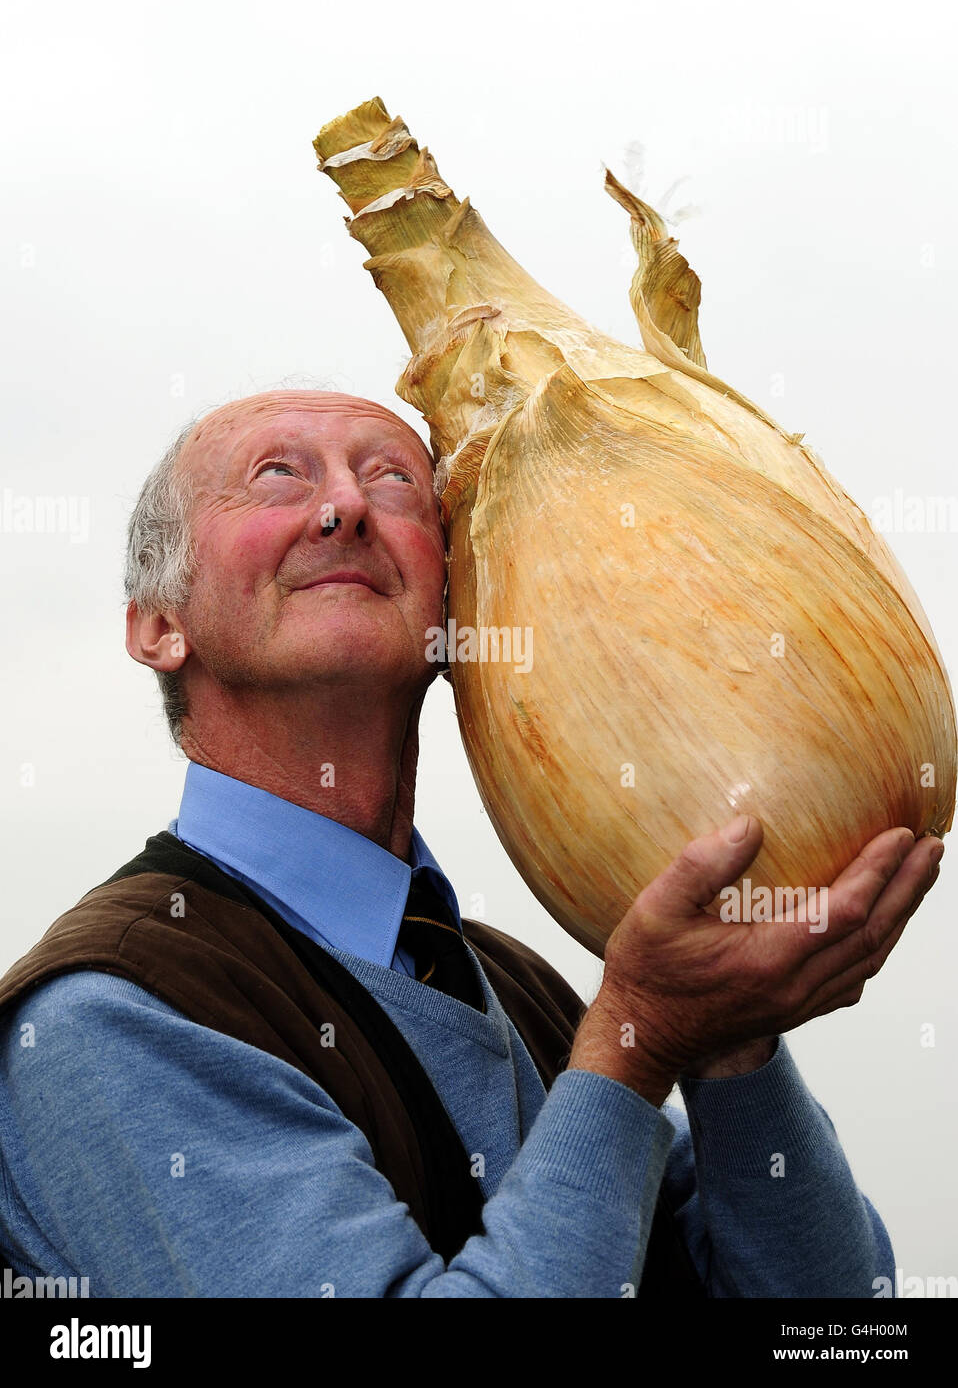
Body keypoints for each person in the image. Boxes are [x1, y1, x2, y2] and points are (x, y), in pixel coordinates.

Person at [0, 390, 942, 1297]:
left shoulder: (533, 989)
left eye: (394, 481)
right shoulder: (113, 1014)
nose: (345, 509)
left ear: (462, 619)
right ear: (158, 625)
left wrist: (727, 1040)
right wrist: (638, 1039)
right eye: (279, 475)